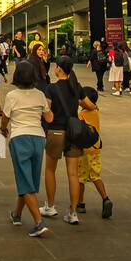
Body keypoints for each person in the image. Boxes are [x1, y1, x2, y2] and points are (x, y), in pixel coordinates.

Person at [1, 60, 54, 237]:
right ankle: (16, 214)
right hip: (39, 139)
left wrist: (3, 130)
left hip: (19, 138)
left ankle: (39, 223)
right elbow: (49, 118)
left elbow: (5, 118)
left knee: (25, 182)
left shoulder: (11, 96)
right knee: (29, 179)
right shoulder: (39, 95)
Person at [42, 56, 97, 223]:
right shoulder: (76, 87)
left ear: (58, 68)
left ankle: (50, 206)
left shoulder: (51, 88)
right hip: (74, 133)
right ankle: (73, 212)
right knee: (72, 173)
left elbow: (47, 110)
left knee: (50, 170)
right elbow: (90, 105)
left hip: (56, 132)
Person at [73, 81, 112, 220]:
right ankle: (105, 198)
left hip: (84, 151)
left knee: (80, 177)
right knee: (96, 175)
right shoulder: (96, 111)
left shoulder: (81, 115)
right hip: (95, 149)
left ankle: (80, 203)